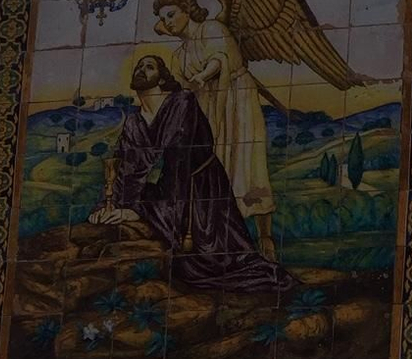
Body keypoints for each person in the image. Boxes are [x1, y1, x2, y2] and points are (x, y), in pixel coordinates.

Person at [91, 54, 297, 296]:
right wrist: (108, 205)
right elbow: (127, 169)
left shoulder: (182, 102)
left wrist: (137, 210)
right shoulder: (135, 122)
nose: (142, 70)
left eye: (149, 67)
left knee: (211, 261)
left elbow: (179, 162)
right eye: (138, 66)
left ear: (163, 78)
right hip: (171, 189)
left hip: (200, 190)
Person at [151, 0, 277, 259]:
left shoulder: (211, 28)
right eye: (165, 19)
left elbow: (220, 59)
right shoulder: (179, 56)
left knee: (246, 165)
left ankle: (266, 239)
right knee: (216, 171)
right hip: (207, 111)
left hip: (236, 100)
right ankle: (226, 240)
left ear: (187, 11)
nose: (169, 22)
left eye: (172, 14)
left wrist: (203, 76)